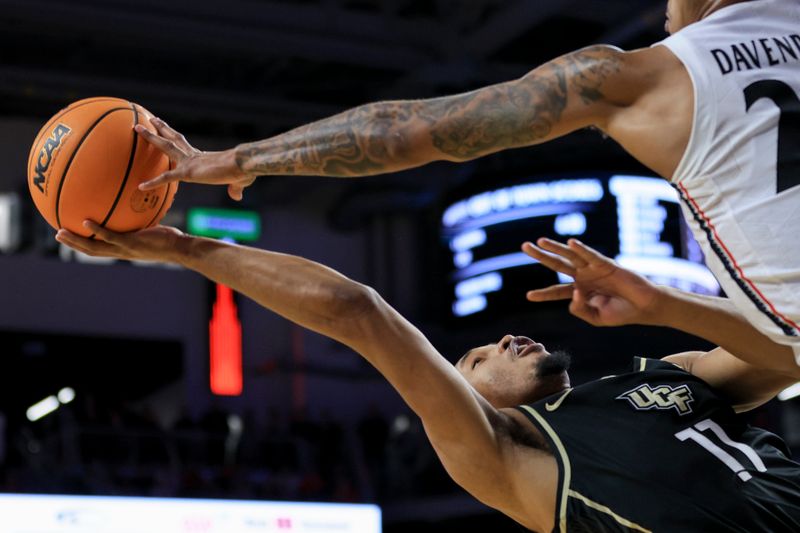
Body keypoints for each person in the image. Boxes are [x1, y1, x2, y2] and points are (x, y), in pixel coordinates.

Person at [128, 0, 800, 364]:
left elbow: (410, 130)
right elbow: (780, 362)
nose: (662, 11)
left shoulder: (643, 77)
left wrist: (240, 159)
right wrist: (662, 304)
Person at [55, 223, 800, 531]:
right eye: (478, 359)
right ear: (464, 401)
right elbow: (358, 310)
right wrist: (182, 247)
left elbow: (784, 353)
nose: (504, 338)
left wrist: (661, 302)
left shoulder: (656, 374)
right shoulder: (514, 459)